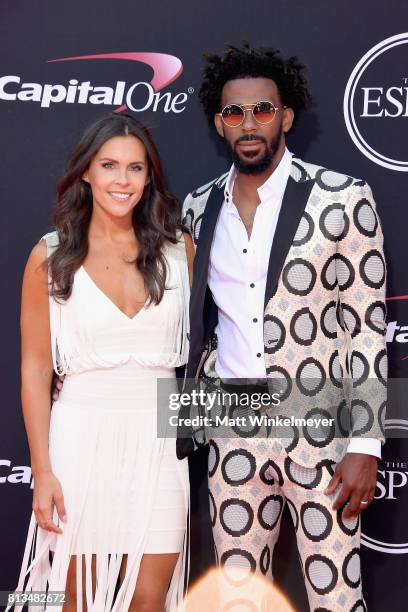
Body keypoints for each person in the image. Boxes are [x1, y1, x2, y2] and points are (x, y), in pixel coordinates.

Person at [177, 44, 387, 611]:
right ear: (219, 123)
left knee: (337, 597)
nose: (249, 124)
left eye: (263, 110)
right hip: (231, 428)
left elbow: (366, 327)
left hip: (322, 427)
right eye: (234, 113)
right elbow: (200, 329)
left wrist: (366, 442)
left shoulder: (344, 197)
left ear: (286, 117)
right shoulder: (197, 208)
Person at [9, 113, 194, 612]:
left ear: (149, 176)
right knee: (75, 601)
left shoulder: (179, 250)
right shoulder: (49, 257)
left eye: (136, 168)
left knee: (149, 601)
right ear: (86, 173)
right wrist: (42, 471)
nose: (123, 180)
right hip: (80, 441)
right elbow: (35, 369)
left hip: (159, 446)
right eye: (109, 165)